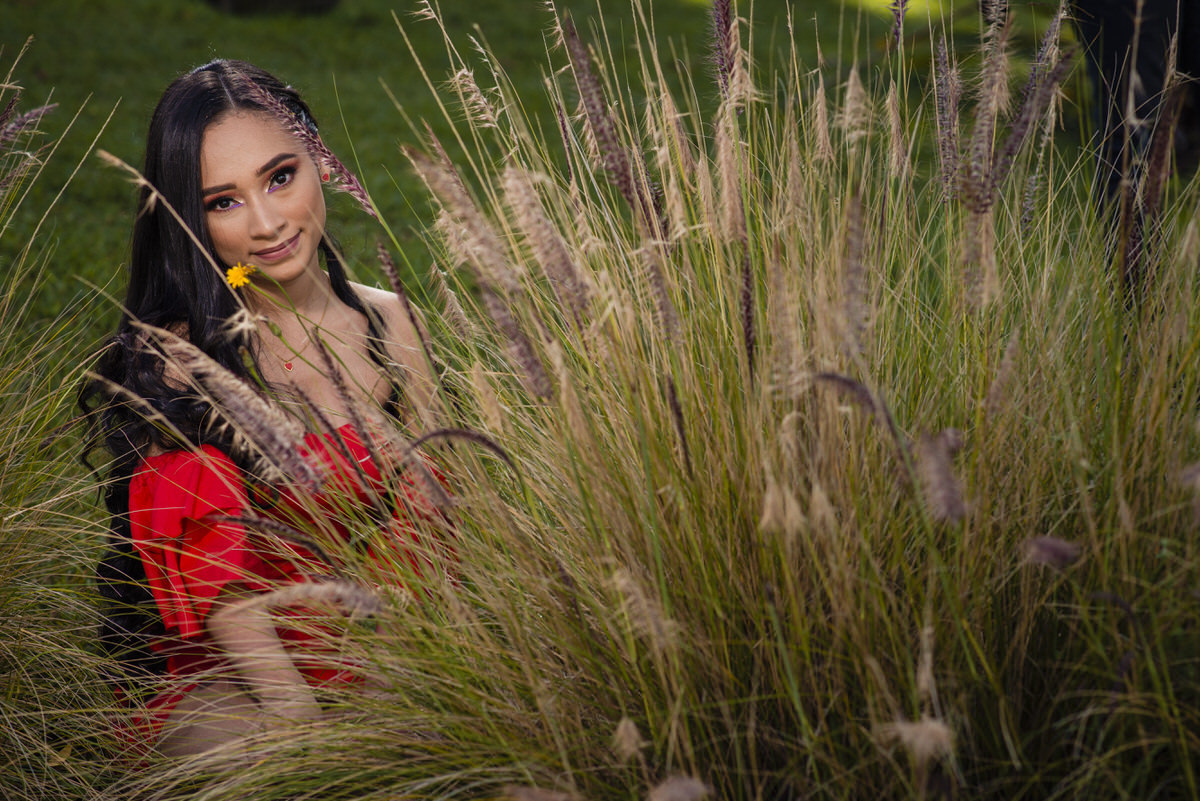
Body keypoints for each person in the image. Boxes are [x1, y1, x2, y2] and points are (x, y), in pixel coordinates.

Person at [80, 59, 447, 758]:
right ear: (192, 220)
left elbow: (441, 512)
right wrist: (300, 719)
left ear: (318, 156)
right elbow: (214, 581)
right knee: (284, 763)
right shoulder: (181, 359)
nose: (268, 220)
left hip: (376, 635)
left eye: (280, 176)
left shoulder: (393, 323)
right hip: (231, 670)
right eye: (224, 201)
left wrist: (415, 659)